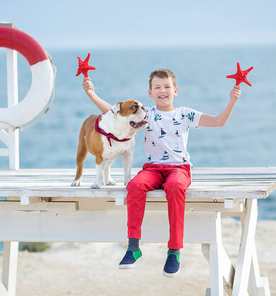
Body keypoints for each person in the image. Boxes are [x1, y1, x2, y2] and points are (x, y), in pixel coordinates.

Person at [82, 68, 241, 278]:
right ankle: (133, 247)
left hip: (179, 168)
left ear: (175, 90)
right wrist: (92, 94)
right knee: (135, 185)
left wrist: (232, 100)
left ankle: (174, 250)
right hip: (153, 169)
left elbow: (219, 121)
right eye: (157, 87)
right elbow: (113, 111)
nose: (162, 90)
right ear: (150, 92)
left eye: (167, 87)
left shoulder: (185, 113)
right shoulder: (146, 114)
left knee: (175, 188)